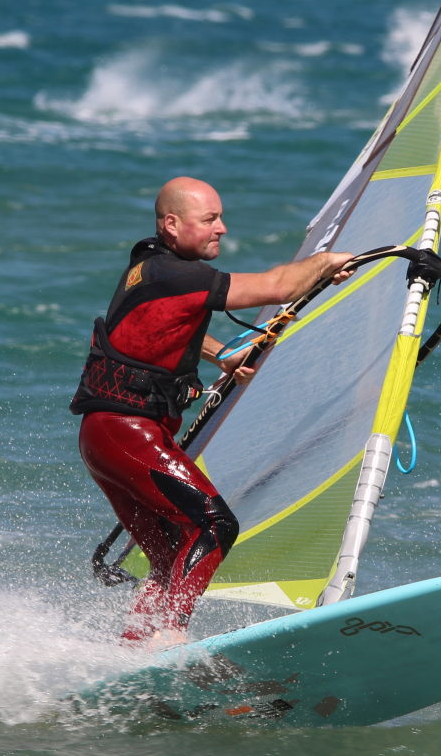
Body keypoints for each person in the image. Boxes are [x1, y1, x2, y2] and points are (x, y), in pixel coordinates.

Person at [71, 177, 353, 645]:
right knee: (215, 525)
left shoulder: (151, 267)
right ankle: (170, 636)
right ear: (171, 225)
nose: (222, 228)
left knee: (170, 554)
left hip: (106, 437)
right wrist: (324, 263)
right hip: (128, 432)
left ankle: (135, 646)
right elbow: (278, 285)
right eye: (209, 220)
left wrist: (221, 354)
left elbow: (165, 326)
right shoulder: (180, 275)